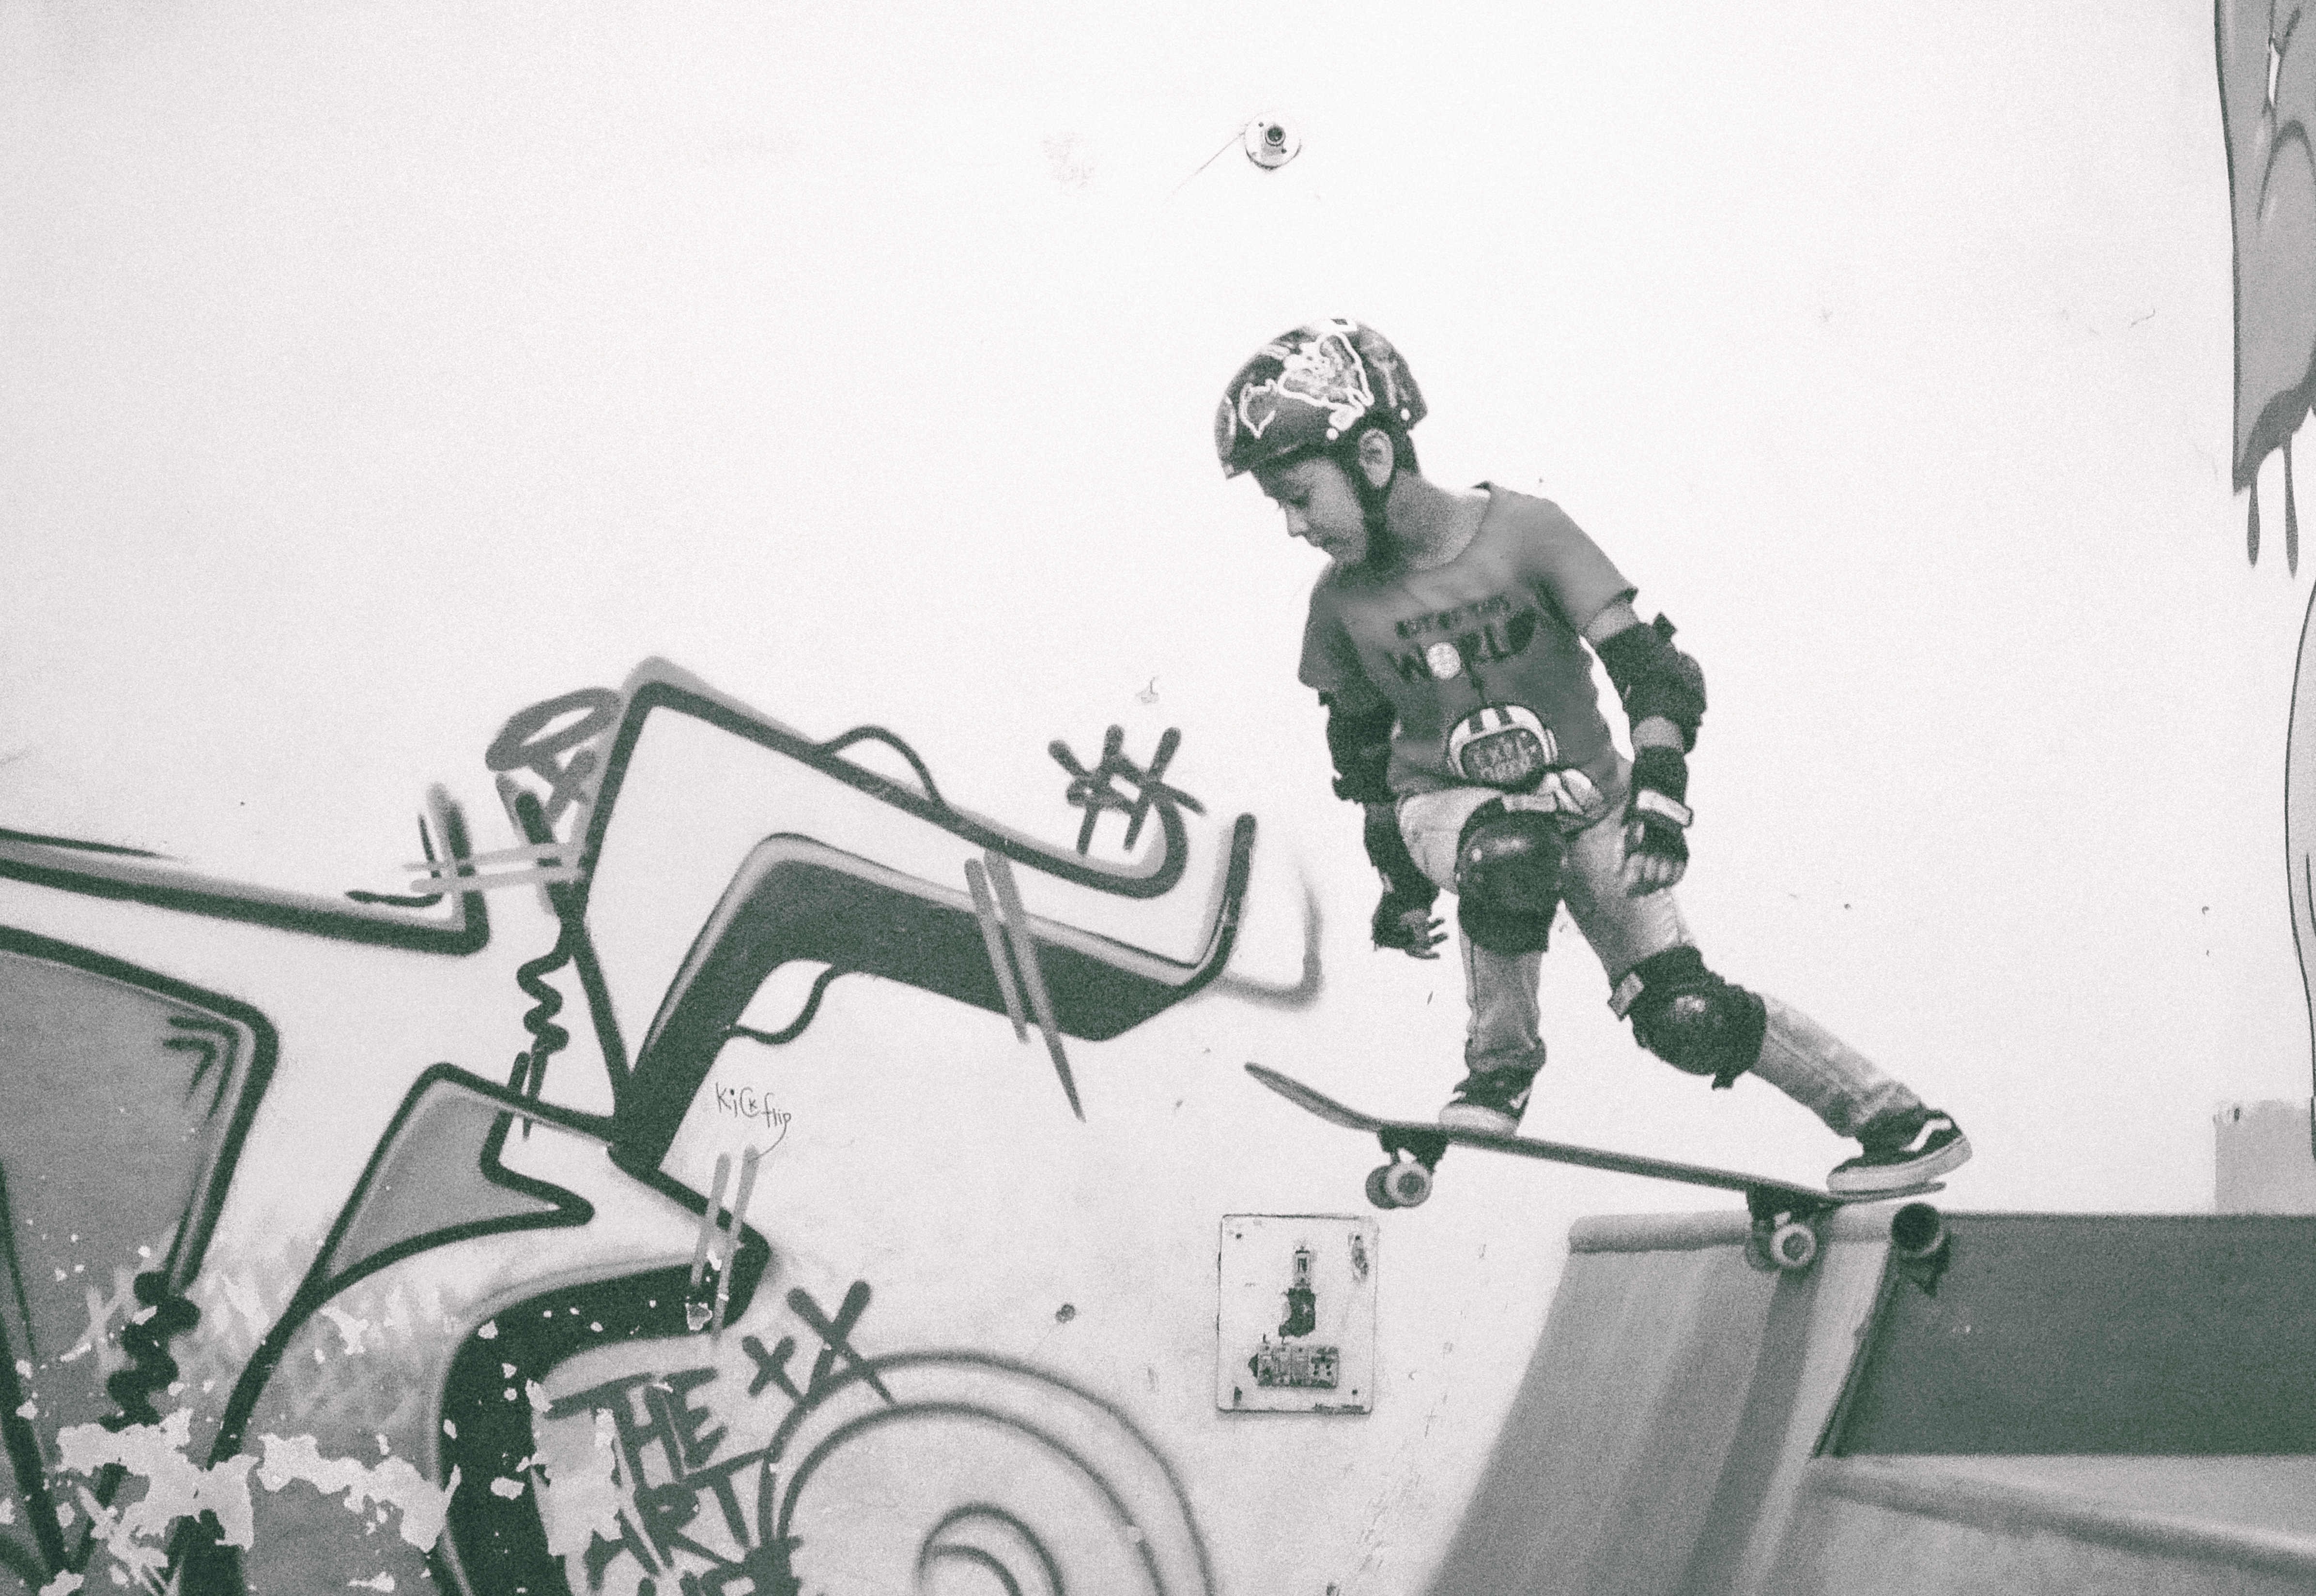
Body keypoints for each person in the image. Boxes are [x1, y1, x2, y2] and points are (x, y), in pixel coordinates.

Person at [1215, 319, 1968, 1195]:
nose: (1291, 524)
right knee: (1509, 850)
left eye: (1299, 495)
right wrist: (1400, 880)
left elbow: (1652, 673)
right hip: (1450, 810)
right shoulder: (1339, 606)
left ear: (1373, 457)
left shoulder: (1528, 534)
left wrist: (1658, 795)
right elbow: (1360, 755)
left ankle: (1897, 1121)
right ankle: (1498, 1070)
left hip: (1595, 809)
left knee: (1684, 1017)